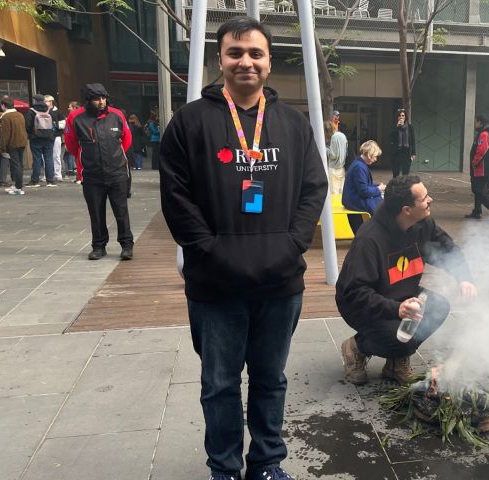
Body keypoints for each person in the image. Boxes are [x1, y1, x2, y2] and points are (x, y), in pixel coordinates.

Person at [158, 17, 327, 480]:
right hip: (215, 284)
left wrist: (293, 242)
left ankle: (267, 464)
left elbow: (315, 188)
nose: (245, 62)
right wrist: (209, 249)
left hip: (279, 281)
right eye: (235, 53)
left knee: (271, 380)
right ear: (221, 61)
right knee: (219, 384)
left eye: (255, 53)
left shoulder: (293, 124)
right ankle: (225, 468)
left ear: (269, 62)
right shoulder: (190, 123)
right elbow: (176, 197)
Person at [336, 174, 478, 385]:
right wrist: (396, 309)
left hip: (404, 296)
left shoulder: (423, 224)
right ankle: (356, 347)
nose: (430, 200)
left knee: (438, 307)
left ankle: (395, 363)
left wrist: (464, 278)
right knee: (399, 338)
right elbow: (355, 292)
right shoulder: (370, 239)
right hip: (363, 306)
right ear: (407, 210)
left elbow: (447, 248)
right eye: (424, 198)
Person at [64, 83, 134, 261]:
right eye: (97, 99)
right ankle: (98, 246)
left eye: (103, 98)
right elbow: (71, 143)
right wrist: (86, 159)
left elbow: (126, 140)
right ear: (88, 100)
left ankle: (126, 245)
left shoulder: (117, 115)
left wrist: (116, 158)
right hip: (92, 174)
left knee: (121, 211)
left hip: (117, 172)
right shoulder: (75, 117)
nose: (101, 102)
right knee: (95, 212)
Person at [342, 140, 385, 233]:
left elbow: (363, 185)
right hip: (354, 200)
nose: (376, 159)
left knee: (381, 200)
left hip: (352, 197)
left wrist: (377, 187)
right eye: (375, 156)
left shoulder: (359, 164)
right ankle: (380, 232)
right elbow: (364, 191)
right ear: (369, 154)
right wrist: (378, 189)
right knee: (382, 206)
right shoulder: (359, 167)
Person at [465, 114, 489, 219]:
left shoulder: (484, 134)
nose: (474, 124)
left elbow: (482, 150)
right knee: (478, 190)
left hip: (481, 168)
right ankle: (477, 212)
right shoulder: (488, 133)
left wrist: (474, 162)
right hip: (483, 167)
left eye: (476, 122)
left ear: (480, 123)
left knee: (477, 190)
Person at [0, 97, 29, 196]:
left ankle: (18, 188)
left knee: (16, 166)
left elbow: (5, 134)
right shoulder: (20, 114)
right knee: (19, 165)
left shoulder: (6, 117)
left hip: (13, 144)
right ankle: (18, 185)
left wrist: (2, 147)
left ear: (3, 106)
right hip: (22, 142)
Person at [25, 94, 57, 187]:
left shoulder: (31, 111)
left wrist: (31, 134)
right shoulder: (49, 110)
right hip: (49, 138)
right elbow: (55, 124)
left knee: (37, 159)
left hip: (36, 139)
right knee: (49, 158)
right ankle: (50, 180)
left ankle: (35, 181)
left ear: (35, 100)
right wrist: (52, 134)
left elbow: (27, 126)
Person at [389, 109, 416, 177]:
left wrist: (413, 153)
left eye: (403, 115)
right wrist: (397, 127)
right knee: (395, 173)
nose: (401, 117)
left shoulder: (410, 127)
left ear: (405, 117)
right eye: (399, 115)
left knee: (405, 174)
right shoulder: (393, 126)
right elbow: (390, 137)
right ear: (397, 117)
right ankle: (395, 187)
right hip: (396, 152)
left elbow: (413, 140)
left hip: (406, 152)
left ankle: (404, 187)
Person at [44, 95, 65, 182]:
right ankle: (47, 174)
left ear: (51, 101)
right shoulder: (43, 111)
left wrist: (53, 124)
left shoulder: (58, 112)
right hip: (45, 136)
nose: (44, 102)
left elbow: (63, 124)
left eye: (46, 101)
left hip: (56, 136)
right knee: (45, 157)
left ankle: (58, 174)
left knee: (56, 156)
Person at [325, 119, 347, 194]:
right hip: (342, 167)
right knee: (341, 191)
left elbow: (333, 155)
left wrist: (325, 149)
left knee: (334, 192)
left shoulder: (334, 137)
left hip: (333, 168)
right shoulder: (342, 135)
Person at [63, 102, 79, 178]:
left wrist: (67, 142)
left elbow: (68, 130)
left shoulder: (71, 116)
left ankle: (77, 175)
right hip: (81, 139)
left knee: (75, 157)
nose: (68, 108)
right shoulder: (83, 115)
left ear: (75, 107)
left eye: (70, 107)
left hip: (75, 140)